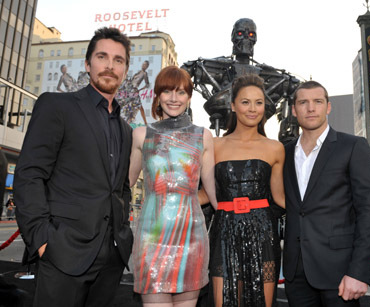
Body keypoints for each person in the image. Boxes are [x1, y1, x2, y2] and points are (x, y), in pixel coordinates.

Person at [14, 27, 134, 307]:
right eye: (102, 57)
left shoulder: (126, 129)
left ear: (126, 70)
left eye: (118, 60)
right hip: (62, 253)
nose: (109, 65)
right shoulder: (57, 106)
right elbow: (30, 174)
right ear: (88, 63)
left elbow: (121, 189)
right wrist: (42, 240)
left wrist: (121, 235)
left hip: (110, 259)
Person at [283, 81, 370, 306]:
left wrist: (359, 272)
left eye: (317, 102)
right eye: (303, 102)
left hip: (340, 272)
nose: (311, 108)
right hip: (296, 273)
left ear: (328, 107)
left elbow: (369, 211)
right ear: (294, 109)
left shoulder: (353, 146)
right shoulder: (285, 152)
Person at [129, 65, 218, 307]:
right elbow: (124, 186)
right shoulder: (141, 135)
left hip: (192, 237)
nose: (173, 98)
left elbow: (212, 190)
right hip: (151, 236)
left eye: (180, 92)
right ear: (157, 96)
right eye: (167, 91)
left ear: (189, 97)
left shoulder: (203, 136)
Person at [206, 74, 285, 307]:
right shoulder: (214, 145)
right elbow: (206, 192)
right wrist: (169, 197)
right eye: (245, 102)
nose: (253, 109)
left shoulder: (275, 148)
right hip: (224, 231)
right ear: (232, 105)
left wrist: (323, 208)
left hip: (263, 233)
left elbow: (280, 197)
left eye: (259, 103)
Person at [117, 60, 150, 125]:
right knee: (123, 103)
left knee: (139, 106)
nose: (143, 66)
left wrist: (139, 89)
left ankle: (145, 122)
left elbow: (147, 84)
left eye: (145, 65)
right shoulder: (138, 72)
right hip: (129, 88)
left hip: (134, 90)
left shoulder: (144, 73)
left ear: (147, 67)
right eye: (143, 64)